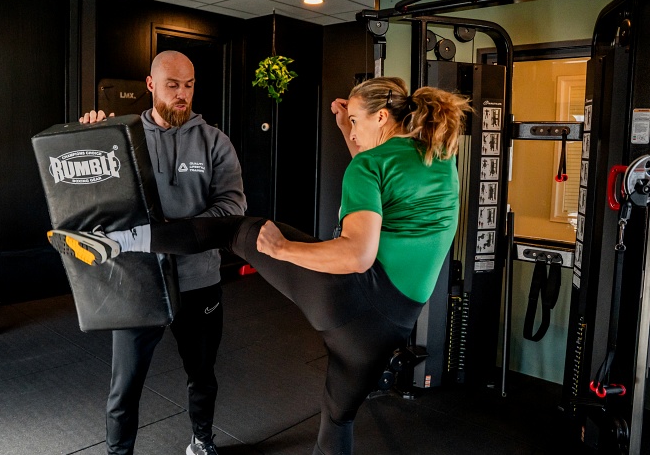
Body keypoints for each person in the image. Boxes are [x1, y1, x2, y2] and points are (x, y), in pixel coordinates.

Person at [50, 77, 470, 455]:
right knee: (338, 415)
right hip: (390, 326)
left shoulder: (367, 166)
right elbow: (381, 162)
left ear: (381, 116)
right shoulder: (440, 157)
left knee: (235, 231)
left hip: (350, 300)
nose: (352, 128)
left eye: (357, 120)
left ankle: (116, 241)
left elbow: (355, 254)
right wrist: (348, 128)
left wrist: (283, 249)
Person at [75, 50, 246, 455]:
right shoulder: (122, 137)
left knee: (202, 374)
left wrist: (170, 235)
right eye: (173, 85)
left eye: (188, 85)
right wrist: (88, 138)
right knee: (125, 385)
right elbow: (89, 193)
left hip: (198, 281)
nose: (182, 94)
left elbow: (231, 208)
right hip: (138, 283)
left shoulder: (214, 142)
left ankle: (202, 440)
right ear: (151, 86)